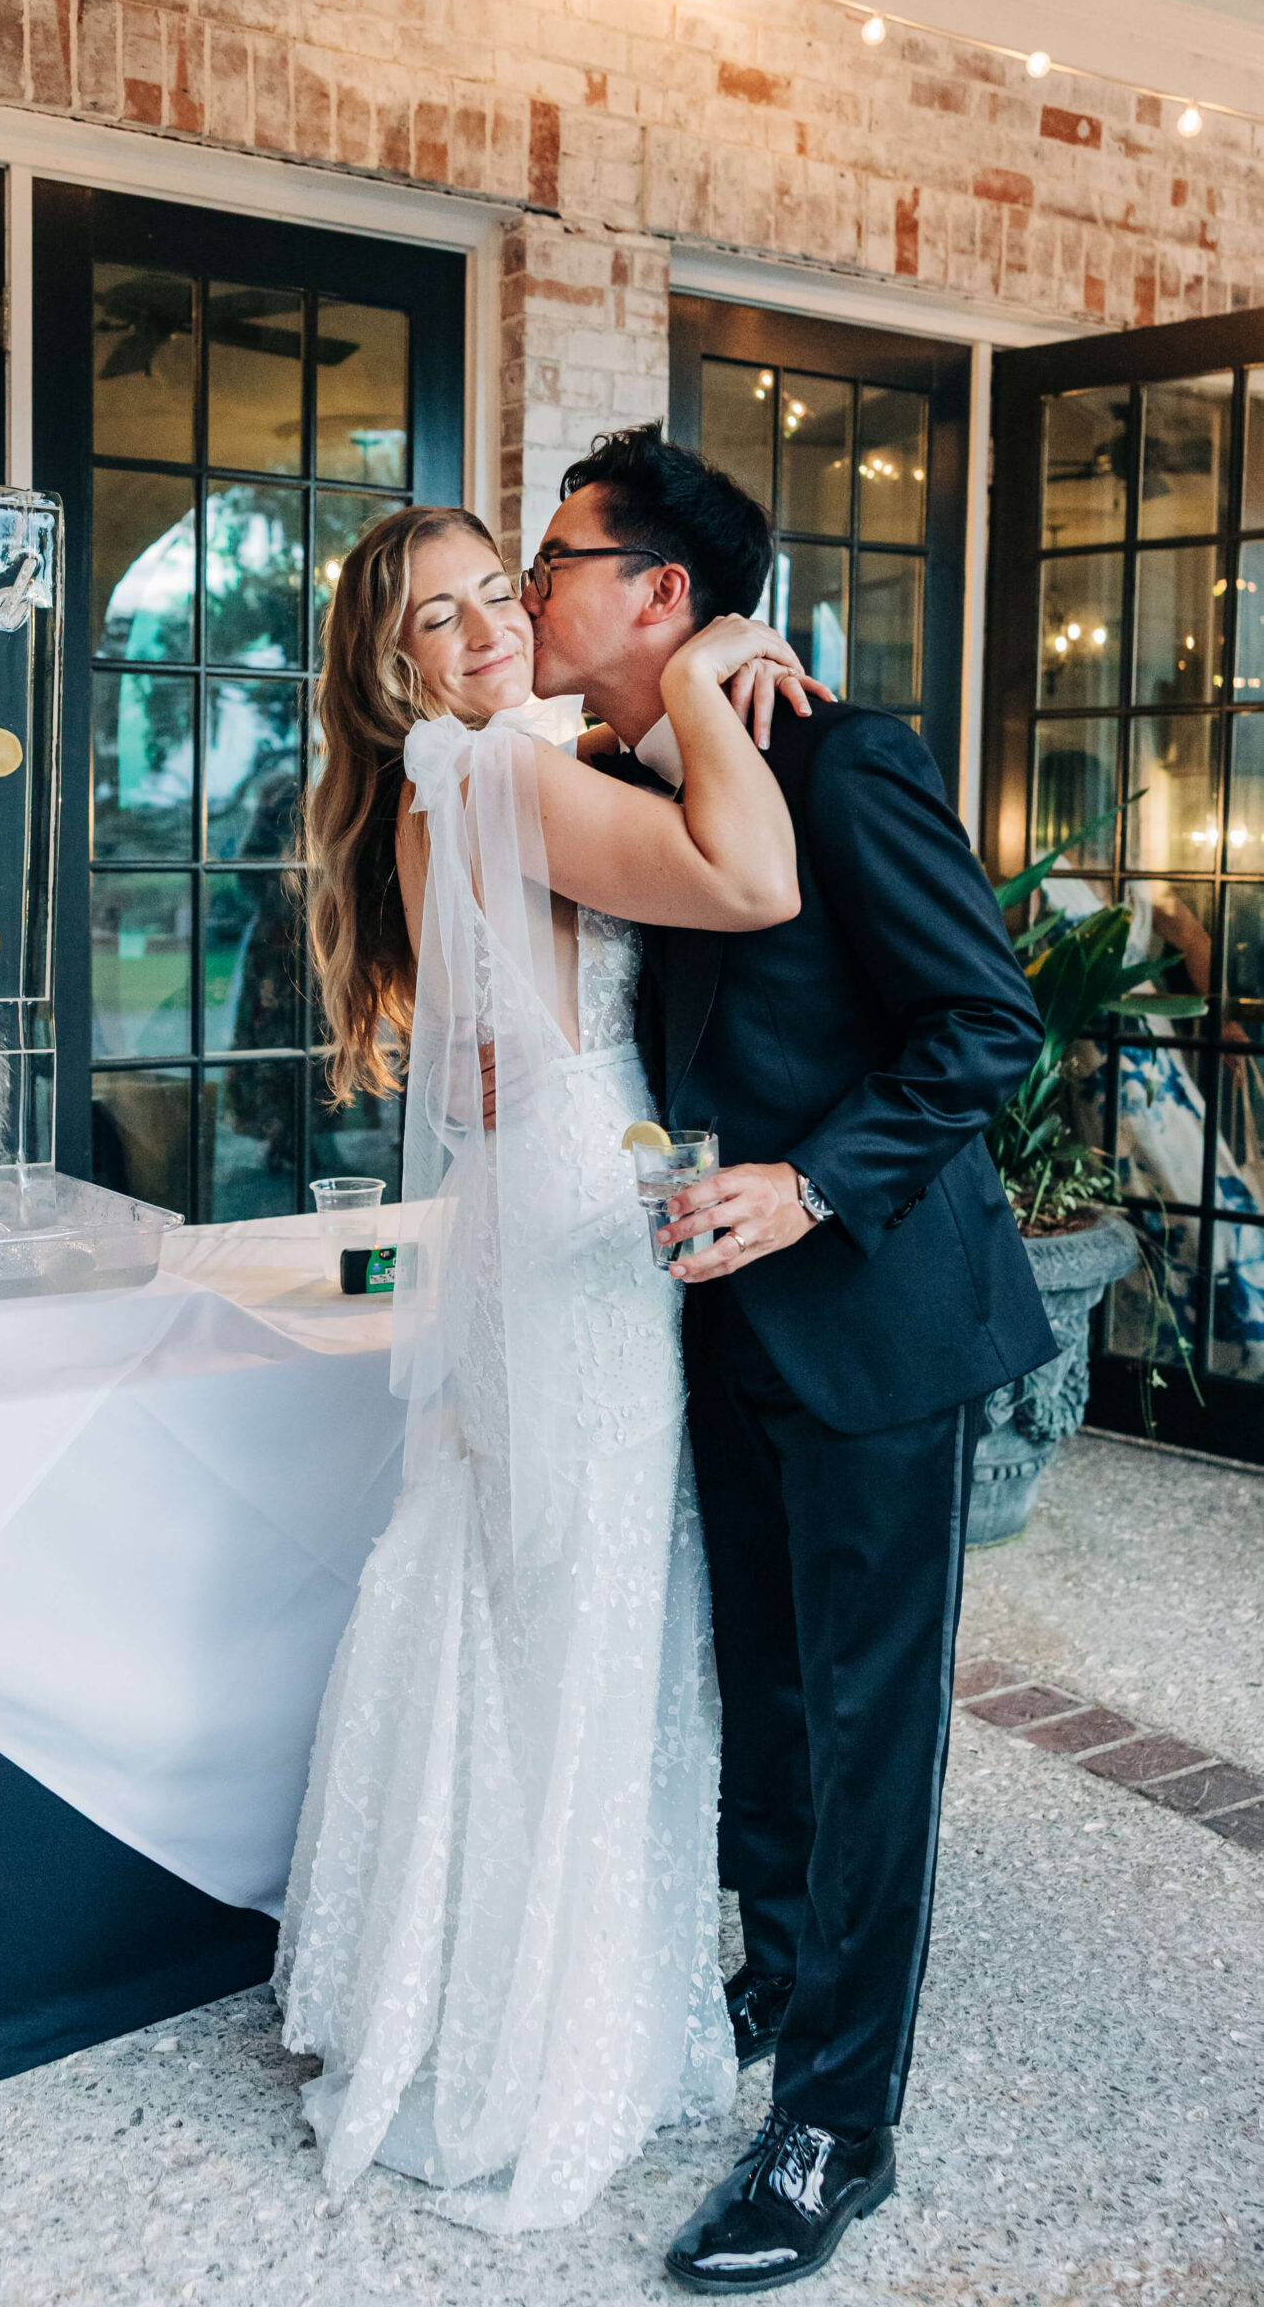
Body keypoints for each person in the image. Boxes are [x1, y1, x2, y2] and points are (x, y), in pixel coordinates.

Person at [527, 422, 1054, 2294]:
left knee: (865, 1732)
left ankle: (840, 2125)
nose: (530, 590)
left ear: (662, 595)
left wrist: (811, 1189)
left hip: (875, 1320)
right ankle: (771, 1979)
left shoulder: (848, 762)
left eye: (558, 558)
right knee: (761, 1692)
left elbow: (989, 1027)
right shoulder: (603, 768)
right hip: (701, 1320)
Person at [275, 503, 814, 2231]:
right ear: (395, 668)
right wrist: (720, 682)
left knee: (527, 1595)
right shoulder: (500, 778)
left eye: (501, 591)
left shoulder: (479, 769)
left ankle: (439, 1984)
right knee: (581, 1618)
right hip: (578, 1253)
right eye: (441, 619)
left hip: (546, 1210)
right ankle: (531, 2029)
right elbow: (754, 879)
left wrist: (657, 701)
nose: (492, 627)